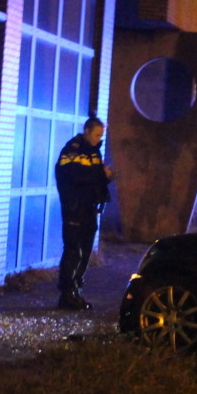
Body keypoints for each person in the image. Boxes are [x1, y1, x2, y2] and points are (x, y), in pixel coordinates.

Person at [54, 116, 114, 310]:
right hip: (75, 208)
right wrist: (101, 175)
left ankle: (75, 291)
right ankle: (67, 294)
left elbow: (93, 179)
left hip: (89, 208)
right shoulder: (73, 150)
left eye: (101, 135)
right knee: (73, 250)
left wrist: (106, 179)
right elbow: (75, 177)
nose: (99, 139)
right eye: (97, 135)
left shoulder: (93, 151)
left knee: (85, 251)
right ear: (87, 131)